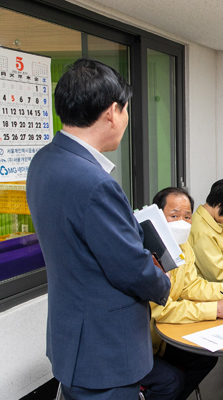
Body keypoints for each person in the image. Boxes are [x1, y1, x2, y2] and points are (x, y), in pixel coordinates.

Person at [26, 58, 171, 399]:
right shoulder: (94, 183)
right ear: (111, 113)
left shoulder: (44, 161)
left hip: (72, 337)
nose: (126, 119)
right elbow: (131, 269)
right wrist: (163, 280)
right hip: (106, 349)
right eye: (126, 109)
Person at [140, 187, 223, 400]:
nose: (182, 222)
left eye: (187, 216)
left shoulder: (182, 245)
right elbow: (161, 309)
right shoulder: (145, 252)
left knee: (205, 359)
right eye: (174, 216)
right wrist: (215, 309)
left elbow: (192, 286)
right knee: (171, 381)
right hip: (142, 342)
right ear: (157, 217)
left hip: (162, 338)